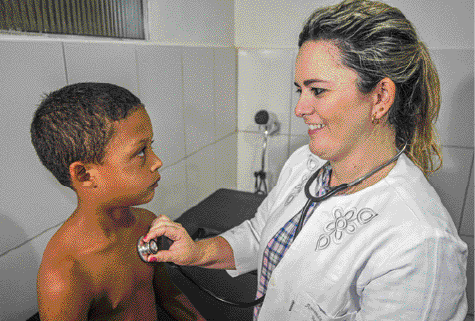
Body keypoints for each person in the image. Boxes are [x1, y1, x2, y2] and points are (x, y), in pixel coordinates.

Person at [143, 0, 468, 320]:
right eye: (300, 90)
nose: (300, 108)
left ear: (380, 97)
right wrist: (197, 251)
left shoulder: (421, 243)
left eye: (318, 91)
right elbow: (259, 235)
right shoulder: (306, 163)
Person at [31, 83, 205, 321]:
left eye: (151, 146)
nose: (157, 161)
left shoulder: (145, 224)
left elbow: (168, 295)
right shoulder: (65, 274)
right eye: (140, 152)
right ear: (84, 175)